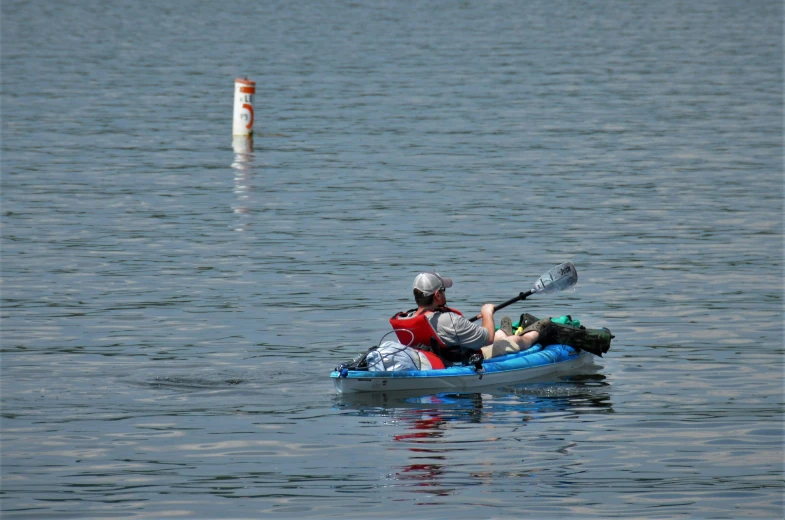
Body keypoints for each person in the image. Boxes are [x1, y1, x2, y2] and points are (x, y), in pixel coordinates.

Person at [389, 271, 541, 364]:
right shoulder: (448, 319)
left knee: (496, 336)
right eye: (443, 290)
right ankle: (539, 331)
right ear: (437, 295)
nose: (444, 293)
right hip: (457, 359)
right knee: (514, 342)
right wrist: (487, 313)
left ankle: (502, 332)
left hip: (430, 358)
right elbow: (486, 338)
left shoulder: (405, 318)